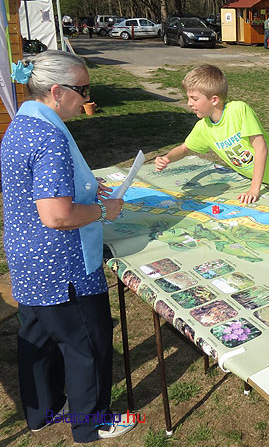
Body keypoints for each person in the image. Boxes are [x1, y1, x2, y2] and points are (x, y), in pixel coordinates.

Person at [2, 50, 132, 442]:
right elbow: (57, 216)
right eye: (83, 89)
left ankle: (41, 413)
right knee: (87, 343)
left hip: (27, 258)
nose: (88, 98)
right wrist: (101, 210)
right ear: (57, 91)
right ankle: (91, 424)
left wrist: (86, 189)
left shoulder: (21, 122)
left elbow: (35, 189)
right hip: (62, 265)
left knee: (38, 336)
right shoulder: (49, 135)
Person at [154, 65, 269, 203]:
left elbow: (260, 148)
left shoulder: (239, 110)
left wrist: (254, 189)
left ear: (214, 100)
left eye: (194, 99)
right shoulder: (203, 128)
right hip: (266, 185)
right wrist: (167, 158)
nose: (189, 103)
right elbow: (184, 149)